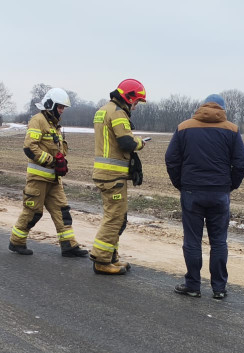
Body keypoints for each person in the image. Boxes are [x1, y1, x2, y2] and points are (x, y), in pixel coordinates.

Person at [164, 93, 244, 299]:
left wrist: (180, 183)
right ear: (223, 109)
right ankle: (219, 288)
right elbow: (241, 163)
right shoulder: (231, 130)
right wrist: (230, 185)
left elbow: (171, 158)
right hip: (219, 192)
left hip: (191, 191)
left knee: (192, 240)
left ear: (202, 106)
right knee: (219, 241)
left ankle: (193, 285)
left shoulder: (184, 127)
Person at [8, 87, 90, 258]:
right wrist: (53, 161)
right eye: (60, 107)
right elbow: (30, 147)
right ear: (50, 105)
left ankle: (69, 245)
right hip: (38, 179)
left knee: (62, 212)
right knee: (33, 212)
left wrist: (61, 161)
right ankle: (17, 242)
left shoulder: (54, 125)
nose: (62, 110)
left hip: (54, 180)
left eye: (63, 108)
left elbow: (58, 150)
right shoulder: (37, 121)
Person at [90, 79, 148, 275]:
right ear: (129, 97)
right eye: (136, 102)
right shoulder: (117, 113)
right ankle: (101, 260)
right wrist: (140, 143)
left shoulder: (103, 110)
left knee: (117, 217)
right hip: (112, 175)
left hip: (107, 174)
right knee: (114, 218)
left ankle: (111, 257)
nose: (136, 106)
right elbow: (126, 142)